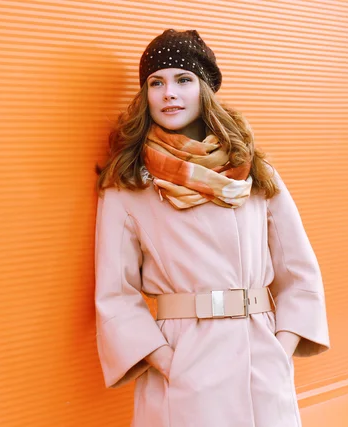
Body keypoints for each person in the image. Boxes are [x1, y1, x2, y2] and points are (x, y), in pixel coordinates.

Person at [94, 29, 330, 427]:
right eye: (157, 82)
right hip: (185, 360)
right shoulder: (129, 183)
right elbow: (115, 293)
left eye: (183, 79)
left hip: (260, 357)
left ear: (204, 88)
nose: (169, 93)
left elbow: (299, 271)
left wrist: (278, 349)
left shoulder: (254, 172)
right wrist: (170, 362)